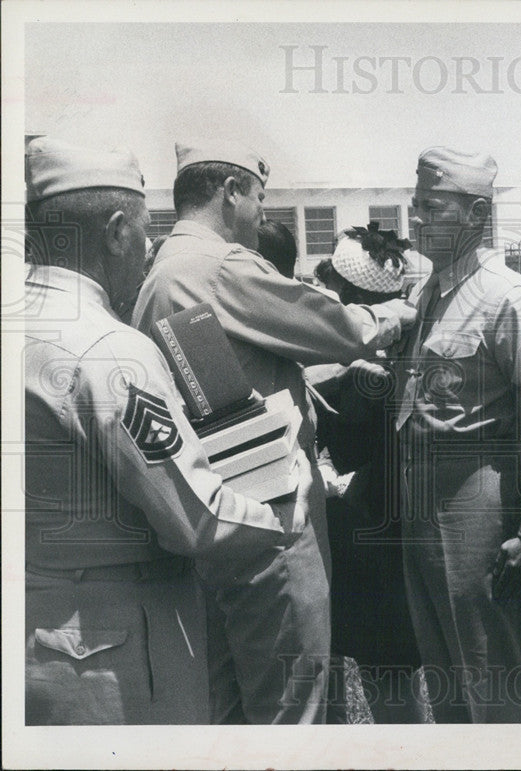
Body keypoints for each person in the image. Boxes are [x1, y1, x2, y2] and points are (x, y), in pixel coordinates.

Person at [22, 137, 310, 725]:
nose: (150, 243)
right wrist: (288, 508)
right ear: (115, 232)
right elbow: (195, 520)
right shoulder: (109, 350)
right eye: (142, 226)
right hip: (117, 650)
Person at [131, 141, 416, 724]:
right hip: (272, 518)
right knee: (296, 705)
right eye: (260, 197)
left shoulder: (166, 270)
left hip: (221, 513)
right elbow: (335, 324)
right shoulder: (221, 265)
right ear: (231, 192)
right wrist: (398, 314)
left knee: (233, 706)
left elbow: (218, 389)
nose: (264, 213)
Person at [396, 147, 521, 722]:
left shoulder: (507, 295)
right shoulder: (432, 292)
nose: (415, 218)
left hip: (478, 499)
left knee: (494, 676)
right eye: (415, 205)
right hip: (421, 500)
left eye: (432, 207)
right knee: (445, 675)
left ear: (474, 217)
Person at [305, 224, 425, 724]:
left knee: (381, 666)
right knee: (390, 666)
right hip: (391, 521)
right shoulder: (405, 354)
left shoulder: (351, 371)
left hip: (363, 520)